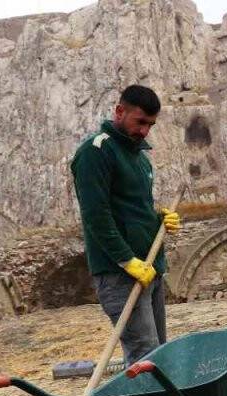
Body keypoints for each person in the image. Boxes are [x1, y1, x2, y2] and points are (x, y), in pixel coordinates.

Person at [70, 84, 181, 364]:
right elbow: (96, 215)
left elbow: (132, 210)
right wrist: (126, 260)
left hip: (149, 267)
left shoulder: (140, 159)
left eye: (151, 125)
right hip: (120, 274)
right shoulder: (96, 152)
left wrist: (159, 221)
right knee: (145, 357)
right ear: (120, 111)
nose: (145, 131)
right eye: (140, 121)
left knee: (159, 356)